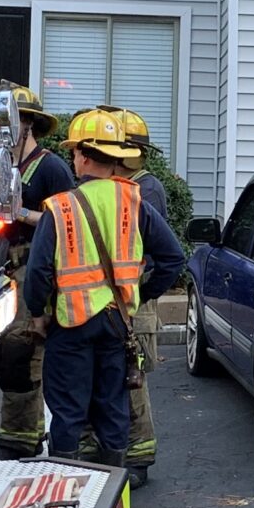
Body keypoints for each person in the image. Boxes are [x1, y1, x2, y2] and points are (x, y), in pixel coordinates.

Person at [23, 107, 186, 470]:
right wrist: (140, 294)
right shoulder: (134, 200)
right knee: (113, 406)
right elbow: (173, 257)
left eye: (74, 153)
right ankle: (116, 489)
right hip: (117, 323)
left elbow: (37, 271)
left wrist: (37, 314)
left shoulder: (61, 207)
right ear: (116, 158)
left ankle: (68, 484)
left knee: (67, 411)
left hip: (71, 323)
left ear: (81, 156)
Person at [0, 84, 75, 460]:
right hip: (0, 269)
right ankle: (17, 432)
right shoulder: (5, 167)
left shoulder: (52, 168)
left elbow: (68, 221)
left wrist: (19, 213)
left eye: (12, 122)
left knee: (22, 354)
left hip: (33, 270)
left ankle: (21, 439)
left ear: (29, 125)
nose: (4, 131)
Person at [80, 106, 166, 483]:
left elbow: (159, 254)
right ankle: (112, 452)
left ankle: (138, 458)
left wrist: (142, 291)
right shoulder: (120, 189)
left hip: (133, 304)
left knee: (133, 381)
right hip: (111, 303)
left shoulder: (145, 191)